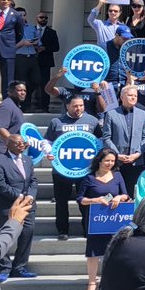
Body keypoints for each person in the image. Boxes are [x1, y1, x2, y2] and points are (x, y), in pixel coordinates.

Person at [76, 147, 129, 290]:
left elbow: (125, 194)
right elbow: (80, 199)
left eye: (112, 161)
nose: (110, 164)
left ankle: (112, 282)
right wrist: (95, 200)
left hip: (113, 220)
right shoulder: (89, 178)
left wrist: (120, 198)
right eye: (107, 161)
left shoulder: (118, 176)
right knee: (93, 252)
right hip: (96, 220)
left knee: (115, 251)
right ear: (99, 160)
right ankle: (92, 283)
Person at [46, 95, 102, 241]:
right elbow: (47, 141)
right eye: (75, 106)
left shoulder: (92, 121)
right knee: (61, 201)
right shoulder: (56, 122)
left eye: (81, 105)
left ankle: (87, 228)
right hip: (61, 169)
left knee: (85, 200)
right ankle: (63, 230)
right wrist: (48, 151)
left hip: (85, 170)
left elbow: (100, 140)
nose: (79, 109)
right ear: (67, 106)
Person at [0, 134, 38, 281]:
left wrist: (30, 196)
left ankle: (19, 267)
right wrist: (20, 196)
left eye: (23, 142)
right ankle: (4, 268)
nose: (22, 145)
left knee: (27, 234)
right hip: (6, 206)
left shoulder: (28, 160)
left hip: (28, 206)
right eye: (18, 143)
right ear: (8, 145)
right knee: (4, 236)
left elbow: (33, 181)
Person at [102, 84, 145, 188]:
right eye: (130, 95)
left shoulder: (143, 114)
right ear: (122, 97)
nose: (133, 97)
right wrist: (117, 155)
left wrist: (137, 153)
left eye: (135, 96)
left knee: (131, 194)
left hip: (136, 161)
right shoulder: (111, 114)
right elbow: (107, 137)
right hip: (116, 162)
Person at [26, 11, 60, 112]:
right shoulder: (30, 30)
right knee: (30, 82)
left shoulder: (52, 32)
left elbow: (56, 47)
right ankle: (28, 105)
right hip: (31, 60)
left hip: (45, 62)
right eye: (41, 17)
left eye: (45, 18)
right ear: (37, 19)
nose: (43, 19)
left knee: (44, 84)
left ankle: (44, 106)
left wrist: (45, 48)